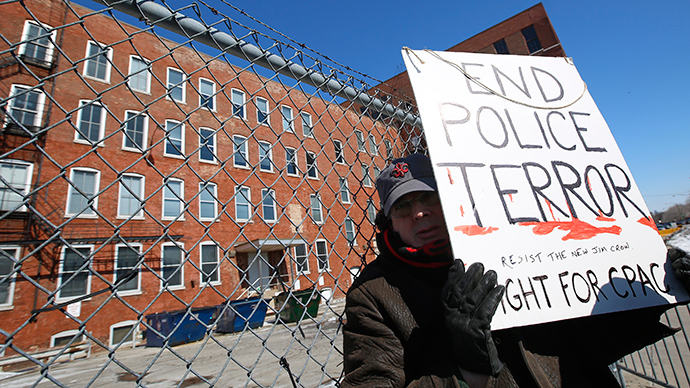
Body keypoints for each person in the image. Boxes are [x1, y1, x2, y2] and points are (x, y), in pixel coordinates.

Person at [341, 153, 690, 388]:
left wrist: (659, 286)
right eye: (403, 206)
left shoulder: (515, 246)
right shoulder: (373, 294)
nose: (419, 212)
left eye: (429, 197)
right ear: (390, 224)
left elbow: (586, 335)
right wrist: (465, 368)